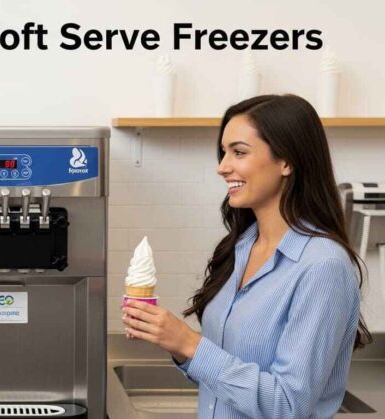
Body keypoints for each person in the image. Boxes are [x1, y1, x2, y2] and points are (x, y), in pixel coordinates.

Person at [122, 94, 372, 418]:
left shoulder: (322, 267)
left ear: (287, 161)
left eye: (238, 152)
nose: (222, 167)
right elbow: (222, 377)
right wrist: (175, 344)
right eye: (223, 152)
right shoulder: (242, 247)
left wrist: (190, 344)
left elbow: (288, 406)